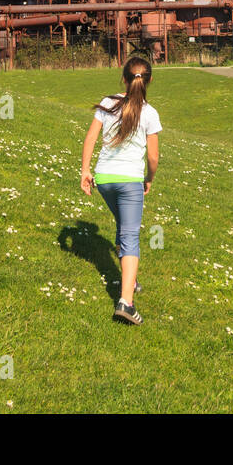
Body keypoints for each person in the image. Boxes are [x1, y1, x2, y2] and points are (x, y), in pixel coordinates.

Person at [80, 56, 161, 324]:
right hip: (129, 181)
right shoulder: (150, 113)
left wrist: (86, 171)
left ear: (123, 78)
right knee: (130, 236)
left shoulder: (108, 103)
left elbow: (90, 137)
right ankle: (126, 303)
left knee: (123, 226)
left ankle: (130, 278)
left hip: (104, 180)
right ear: (148, 81)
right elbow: (153, 157)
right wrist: (149, 177)